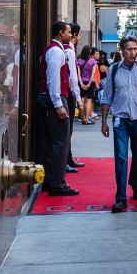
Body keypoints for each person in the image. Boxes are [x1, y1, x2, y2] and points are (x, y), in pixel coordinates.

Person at [99, 36, 137, 213]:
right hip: (121, 119)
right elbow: (107, 96)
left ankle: (136, 185)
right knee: (121, 157)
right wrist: (104, 122)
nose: (133, 52)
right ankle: (121, 198)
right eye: (129, 49)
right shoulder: (114, 69)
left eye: (136, 49)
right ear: (122, 50)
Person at [39, 21, 77, 196]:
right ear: (61, 33)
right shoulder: (56, 51)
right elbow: (53, 80)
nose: (71, 35)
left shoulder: (53, 50)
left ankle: (49, 181)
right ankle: (57, 184)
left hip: (51, 99)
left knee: (50, 143)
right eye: (69, 32)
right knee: (60, 142)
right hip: (55, 98)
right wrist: (59, 104)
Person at [64, 23, 84, 172]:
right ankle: (65, 161)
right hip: (68, 94)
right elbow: (72, 77)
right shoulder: (69, 52)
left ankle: (68, 159)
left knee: (67, 130)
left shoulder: (65, 49)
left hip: (67, 93)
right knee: (67, 130)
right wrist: (78, 98)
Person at [77, 45, 96, 125]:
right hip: (90, 82)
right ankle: (87, 119)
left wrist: (81, 83)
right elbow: (93, 73)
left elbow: (78, 74)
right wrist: (89, 83)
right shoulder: (93, 61)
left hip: (81, 82)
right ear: (90, 52)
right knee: (88, 101)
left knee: (81, 101)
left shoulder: (79, 61)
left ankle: (83, 118)